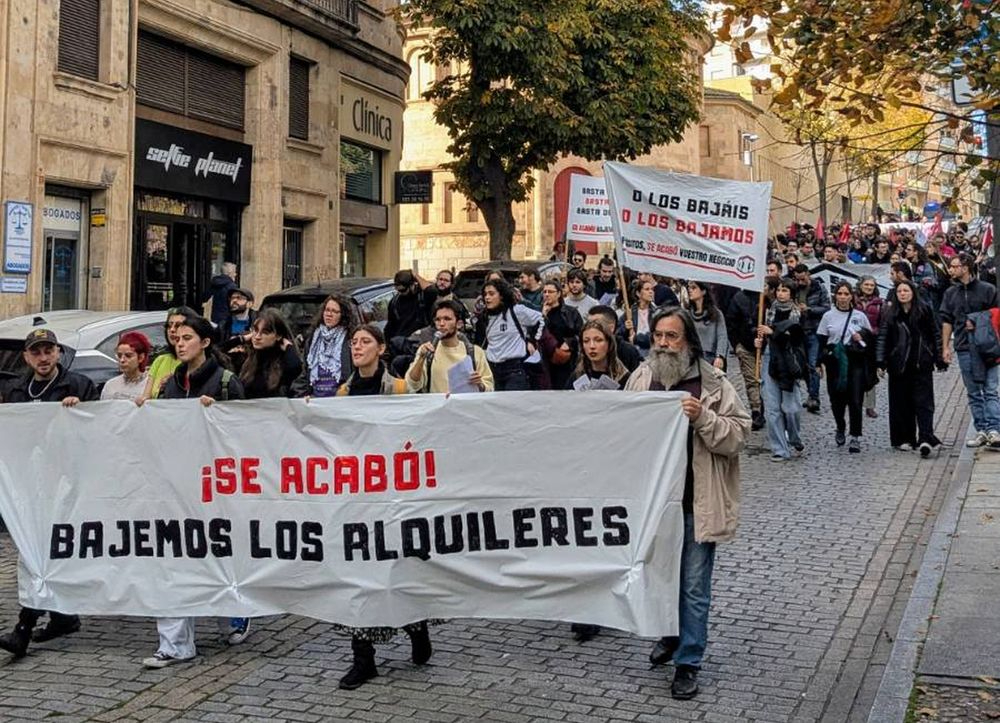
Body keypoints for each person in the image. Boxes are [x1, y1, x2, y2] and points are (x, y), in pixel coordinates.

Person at [627, 308, 750, 700]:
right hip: (655, 503)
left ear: (689, 342)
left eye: (672, 336)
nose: (663, 343)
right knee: (661, 576)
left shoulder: (714, 383)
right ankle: (670, 634)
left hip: (696, 502)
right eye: (658, 335)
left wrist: (703, 419)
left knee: (694, 586)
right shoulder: (643, 377)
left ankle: (688, 662)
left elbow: (737, 436)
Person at [141, 314, 247, 669]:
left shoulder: (226, 381)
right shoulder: (172, 383)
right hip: (177, 485)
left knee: (216, 556)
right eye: (177, 338)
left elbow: (247, 434)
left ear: (205, 342)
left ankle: (235, 612)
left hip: (216, 489)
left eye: (188, 337)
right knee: (171, 560)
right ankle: (174, 643)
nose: (180, 343)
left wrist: (217, 416)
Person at [332, 324, 430, 689]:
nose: (357, 347)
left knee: (397, 572)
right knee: (361, 578)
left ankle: (416, 627)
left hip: (395, 498)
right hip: (359, 501)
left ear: (381, 348)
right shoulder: (343, 393)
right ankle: (364, 658)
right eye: (353, 342)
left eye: (365, 342)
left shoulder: (399, 389)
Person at [0, 329, 98, 660]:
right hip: (29, 485)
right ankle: (63, 616)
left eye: (48, 351)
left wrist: (79, 410)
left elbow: (100, 427)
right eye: (36, 352)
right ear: (27, 357)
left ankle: (22, 630)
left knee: (42, 552)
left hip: (66, 483)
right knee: (40, 551)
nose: (43, 358)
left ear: (58, 353)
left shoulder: (79, 385)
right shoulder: (15, 390)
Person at [876, 280, 945, 455]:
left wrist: (939, 357)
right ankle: (904, 438)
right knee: (901, 403)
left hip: (921, 362)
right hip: (899, 365)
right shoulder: (891, 314)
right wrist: (881, 361)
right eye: (899, 291)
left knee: (924, 403)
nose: (903, 294)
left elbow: (935, 333)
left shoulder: (924, 310)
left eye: (906, 290)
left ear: (913, 292)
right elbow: (883, 337)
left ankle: (925, 437)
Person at [939, 253, 1000, 448]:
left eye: (955, 266)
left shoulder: (988, 290)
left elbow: (997, 315)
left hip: (988, 347)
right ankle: (981, 429)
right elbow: (946, 320)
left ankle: (994, 429)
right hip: (964, 347)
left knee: (990, 389)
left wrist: (978, 320)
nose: (952, 269)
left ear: (965, 267)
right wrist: (946, 346)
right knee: (974, 392)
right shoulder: (950, 293)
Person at [816, 281, 874, 453]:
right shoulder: (828, 316)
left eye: (846, 294)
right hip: (835, 361)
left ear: (851, 296)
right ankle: (840, 426)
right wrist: (818, 363)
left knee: (855, 399)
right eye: (839, 294)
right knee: (837, 399)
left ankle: (855, 435)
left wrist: (861, 336)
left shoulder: (860, 316)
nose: (842, 297)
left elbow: (870, 339)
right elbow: (821, 342)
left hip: (854, 359)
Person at [755, 278, 807, 461]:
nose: (781, 293)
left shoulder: (797, 314)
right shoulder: (769, 311)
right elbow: (763, 335)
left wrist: (773, 332)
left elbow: (795, 336)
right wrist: (759, 342)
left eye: (785, 290)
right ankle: (779, 449)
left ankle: (794, 437)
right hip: (771, 358)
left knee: (791, 408)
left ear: (791, 294)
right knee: (772, 409)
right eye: (779, 290)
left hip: (789, 361)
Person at [406, 299, 493, 393]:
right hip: (438, 406)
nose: (441, 324)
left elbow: (489, 388)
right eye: (438, 320)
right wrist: (421, 359)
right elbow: (412, 384)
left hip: (465, 406)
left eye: (447, 319)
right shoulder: (427, 351)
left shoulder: (475, 352)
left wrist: (479, 384)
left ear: (459, 324)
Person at [474, 278, 544, 391]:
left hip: (514, 370)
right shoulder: (484, 318)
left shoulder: (516, 311)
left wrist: (532, 340)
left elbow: (541, 319)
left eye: (491, 294)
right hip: (492, 369)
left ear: (501, 295)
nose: (487, 297)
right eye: (485, 294)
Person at [294, 294, 354, 398]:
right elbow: (305, 371)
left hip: (339, 402)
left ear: (343, 315)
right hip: (315, 402)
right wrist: (303, 394)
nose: (329, 314)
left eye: (334, 311)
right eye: (327, 310)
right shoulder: (314, 338)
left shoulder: (349, 339)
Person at [725, 287, 765, 430]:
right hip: (745, 346)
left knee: (764, 380)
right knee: (751, 380)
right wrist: (737, 344)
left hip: (766, 347)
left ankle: (767, 407)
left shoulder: (767, 297)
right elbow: (731, 323)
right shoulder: (738, 299)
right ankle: (756, 411)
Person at [792, 264, 831, 413]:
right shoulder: (795, 289)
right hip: (799, 330)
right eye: (797, 279)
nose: (800, 282)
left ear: (808, 274)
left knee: (813, 363)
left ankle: (814, 397)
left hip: (814, 330)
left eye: (802, 279)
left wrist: (809, 309)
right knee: (803, 365)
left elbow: (827, 307)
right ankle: (810, 393)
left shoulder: (819, 288)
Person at [239, 309, 302, 399]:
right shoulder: (247, 356)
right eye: (255, 330)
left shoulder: (284, 361)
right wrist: (242, 339)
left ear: (278, 335)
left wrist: (288, 346)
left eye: (265, 332)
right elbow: (217, 351)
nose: (257, 337)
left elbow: (296, 368)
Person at [140, 306, 197, 403]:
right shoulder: (160, 360)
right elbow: (146, 398)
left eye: (178, 325)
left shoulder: (198, 361)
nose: (172, 330)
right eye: (169, 326)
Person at [541, 278, 583, 391]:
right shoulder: (538, 313)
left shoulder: (571, 312)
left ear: (558, 293)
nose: (546, 294)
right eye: (544, 292)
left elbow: (580, 334)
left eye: (550, 292)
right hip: (545, 360)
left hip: (566, 359)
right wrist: (543, 316)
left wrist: (569, 343)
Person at [567, 320, 632, 390]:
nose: (592, 346)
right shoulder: (577, 376)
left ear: (609, 344)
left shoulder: (624, 378)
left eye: (598, 340)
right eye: (586, 341)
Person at [856, 276, 884, 419]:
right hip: (855, 341)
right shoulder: (854, 301)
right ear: (860, 285)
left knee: (870, 374)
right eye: (866, 284)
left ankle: (870, 406)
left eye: (871, 285)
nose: (868, 287)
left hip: (872, 341)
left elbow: (881, 323)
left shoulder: (879, 303)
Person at [685, 281, 728, 369]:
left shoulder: (716, 314)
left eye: (693, 288)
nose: (690, 290)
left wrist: (720, 356)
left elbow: (722, 336)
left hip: (711, 359)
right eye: (688, 288)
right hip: (692, 358)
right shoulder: (687, 314)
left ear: (703, 291)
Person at [101, 332, 153, 401]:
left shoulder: (150, 384)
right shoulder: (110, 385)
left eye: (128, 356)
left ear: (141, 357)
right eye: (119, 356)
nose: (122, 360)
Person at [588, 305, 641, 372]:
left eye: (596, 324)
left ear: (611, 328)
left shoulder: (627, 351)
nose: (591, 328)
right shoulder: (586, 348)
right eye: (588, 324)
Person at [219, 288, 258, 372]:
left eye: (239, 298)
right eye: (232, 298)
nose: (234, 301)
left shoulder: (257, 322)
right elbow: (217, 348)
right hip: (228, 367)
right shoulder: (223, 325)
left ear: (249, 304)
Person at [623, 279, 657, 358]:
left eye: (652, 289)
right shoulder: (630, 313)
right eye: (647, 289)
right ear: (638, 293)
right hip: (634, 354)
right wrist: (625, 328)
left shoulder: (657, 313)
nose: (651, 292)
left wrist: (636, 338)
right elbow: (619, 335)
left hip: (651, 354)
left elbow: (655, 337)